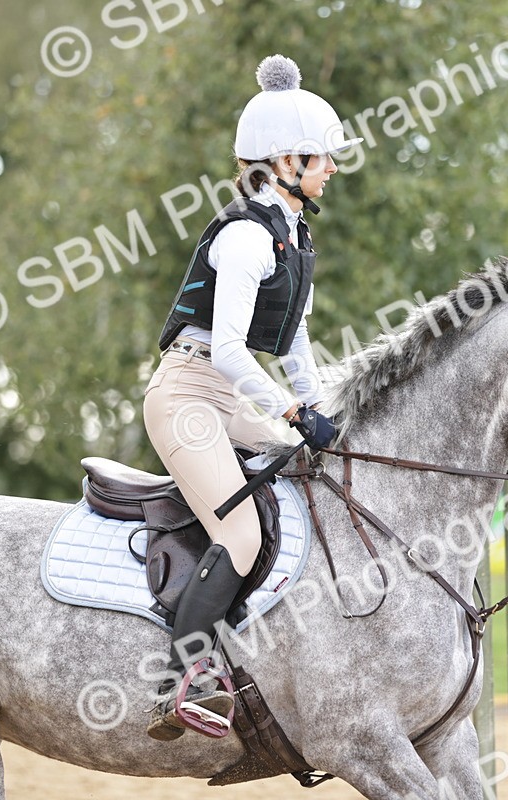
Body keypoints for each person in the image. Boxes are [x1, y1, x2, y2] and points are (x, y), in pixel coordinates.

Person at [143, 54, 359, 740]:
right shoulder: (243, 236)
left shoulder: (296, 239)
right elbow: (233, 348)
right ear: (283, 162)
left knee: (318, 476)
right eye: (321, 158)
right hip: (188, 392)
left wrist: (319, 407)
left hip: (231, 397)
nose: (331, 168)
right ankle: (181, 676)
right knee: (241, 529)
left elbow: (293, 343)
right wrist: (294, 414)